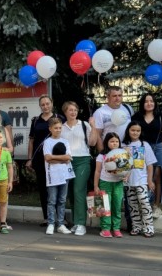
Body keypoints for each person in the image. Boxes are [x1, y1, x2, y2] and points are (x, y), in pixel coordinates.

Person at [131, 93, 162, 218]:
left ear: (154, 103)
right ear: (142, 104)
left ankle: (157, 205)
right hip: (141, 148)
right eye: (146, 101)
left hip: (157, 147)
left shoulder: (161, 116)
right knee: (141, 174)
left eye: (151, 101)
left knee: (158, 175)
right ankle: (143, 203)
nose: (149, 103)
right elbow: (132, 130)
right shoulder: (137, 117)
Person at [26, 95, 64, 226]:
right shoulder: (36, 121)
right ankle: (47, 217)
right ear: (40, 106)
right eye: (43, 104)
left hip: (56, 159)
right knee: (43, 189)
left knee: (58, 188)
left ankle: (60, 218)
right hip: (40, 160)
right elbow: (31, 141)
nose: (45, 106)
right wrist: (30, 158)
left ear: (52, 103)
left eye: (47, 103)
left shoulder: (59, 118)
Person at [61, 101, 98, 236]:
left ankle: (81, 224)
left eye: (75, 110)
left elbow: (93, 142)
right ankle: (76, 222)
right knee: (70, 192)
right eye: (70, 110)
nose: (73, 112)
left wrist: (93, 126)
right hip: (66, 161)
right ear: (65, 112)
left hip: (82, 160)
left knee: (78, 190)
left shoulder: (84, 124)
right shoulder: (62, 127)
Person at [122, 121, 156, 238]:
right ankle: (136, 226)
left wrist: (150, 181)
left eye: (138, 131)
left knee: (144, 203)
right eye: (133, 130)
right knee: (132, 205)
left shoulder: (144, 145)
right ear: (128, 131)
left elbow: (150, 165)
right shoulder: (123, 145)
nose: (135, 132)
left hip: (141, 180)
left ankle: (149, 227)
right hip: (128, 182)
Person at [43, 117, 74, 235]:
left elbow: (69, 158)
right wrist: (62, 159)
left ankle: (60, 224)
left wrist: (54, 158)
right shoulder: (47, 142)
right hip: (52, 175)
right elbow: (47, 158)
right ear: (50, 129)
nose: (58, 130)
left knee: (62, 200)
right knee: (52, 200)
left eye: (60, 128)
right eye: (55, 128)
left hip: (64, 174)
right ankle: (51, 223)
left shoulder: (65, 141)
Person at [93, 132, 125, 238]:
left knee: (116, 206)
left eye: (116, 141)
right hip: (105, 183)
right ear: (107, 142)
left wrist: (126, 176)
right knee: (104, 206)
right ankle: (105, 229)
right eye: (112, 141)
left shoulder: (122, 155)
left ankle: (116, 228)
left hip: (118, 184)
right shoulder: (101, 156)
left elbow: (128, 168)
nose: (114, 143)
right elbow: (97, 171)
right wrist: (96, 186)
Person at [93, 86, 133, 151]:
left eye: (119, 95)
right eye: (114, 96)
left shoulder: (128, 109)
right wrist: (102, 153)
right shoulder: (100, 112)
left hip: (127, 148)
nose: (117, 98)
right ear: (108, 97)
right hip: (109, 150)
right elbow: (98, 136)